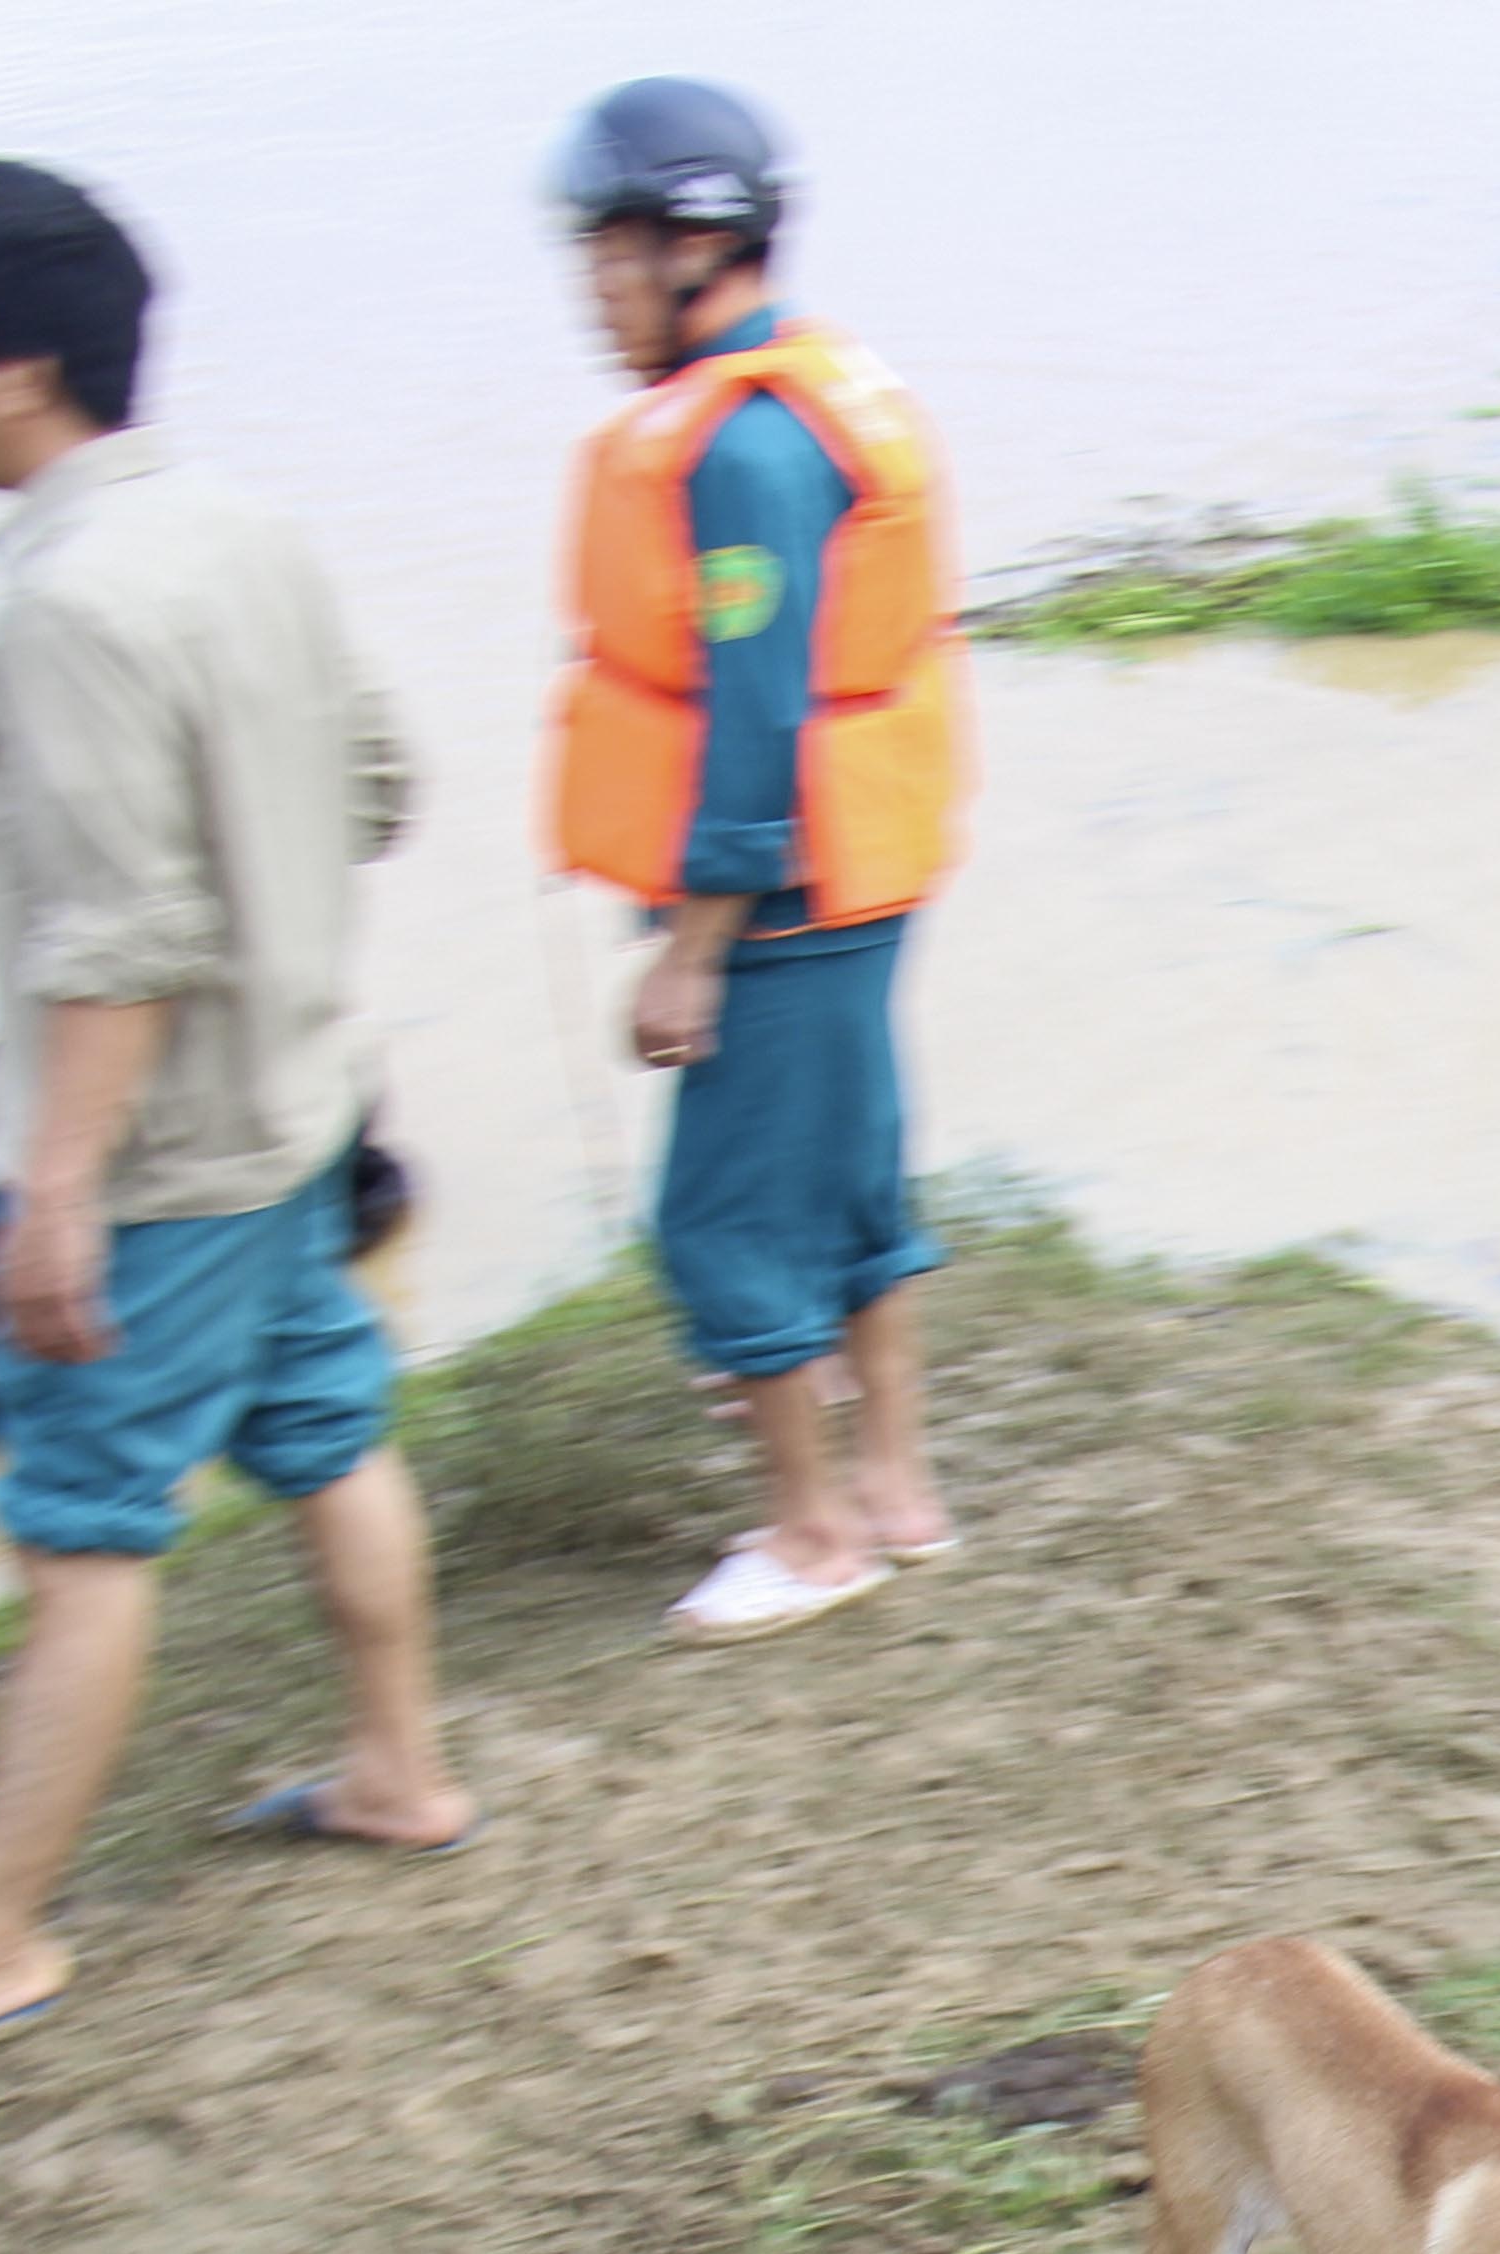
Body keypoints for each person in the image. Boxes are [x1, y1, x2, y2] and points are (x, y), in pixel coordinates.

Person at [0, 160, 470, 2108]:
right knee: (328, 1429)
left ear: (12, 368)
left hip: (158, 1176)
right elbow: (382, 784)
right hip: (299, 1107)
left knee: (80, 1535)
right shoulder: (240, 528)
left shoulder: (71, 600)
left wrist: (46, 1188)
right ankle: (399, 1768)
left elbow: (118, 937)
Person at [544, 78, 973, 1644]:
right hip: (858, 873)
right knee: (856, 1186)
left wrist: (690, 946)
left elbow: (755, 716)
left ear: (694, 244)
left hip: (783, 892)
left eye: (607, 255)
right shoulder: (808, 397)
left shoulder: (742, 454)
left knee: (722, 1216)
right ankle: (901, 1493)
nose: (592, 292)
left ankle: (811, 1536)